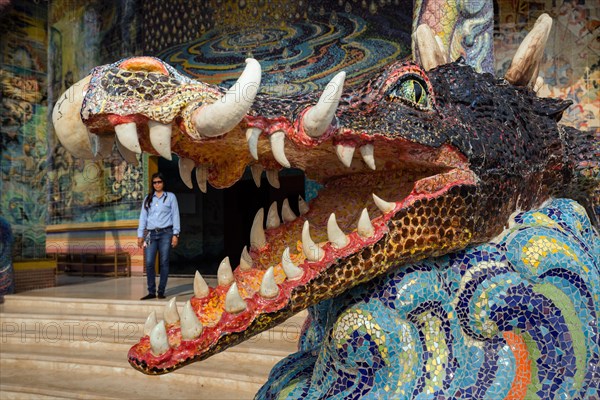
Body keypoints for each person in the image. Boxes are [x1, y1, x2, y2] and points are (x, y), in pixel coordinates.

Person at [137, 172, 180, 300]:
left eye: (159, 182)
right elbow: (143, 217)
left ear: (163, 183)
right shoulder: (148, 198)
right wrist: (140, 235)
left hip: (166, 233)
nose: (157, 184)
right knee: (149, 262)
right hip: (150, 234)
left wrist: (175, 234)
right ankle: (151, 291)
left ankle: (161, 291)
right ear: (152, 184)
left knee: (164, 261)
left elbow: (175, 215)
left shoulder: (170, 197)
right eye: (154, 182)